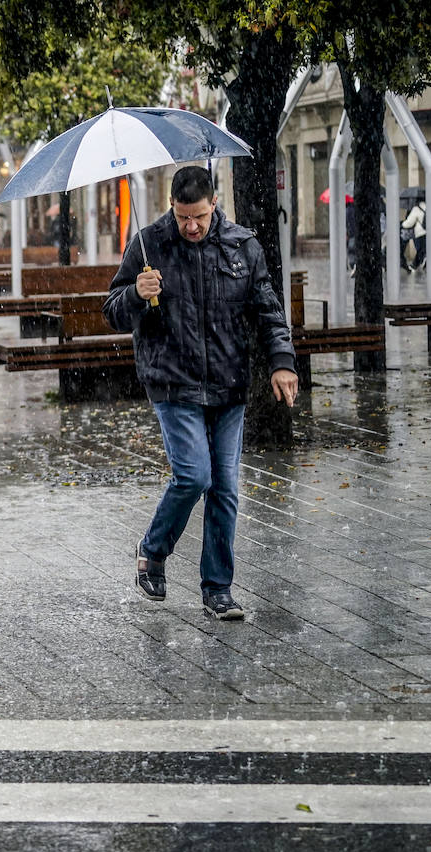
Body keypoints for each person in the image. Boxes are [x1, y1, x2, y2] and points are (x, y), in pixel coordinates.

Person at [103, 166, 298, 621]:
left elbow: (268, 310)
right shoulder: (150, 245)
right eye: (183, 216)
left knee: (226, 489)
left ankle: (217, 590)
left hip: (229, 385)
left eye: (200, 217)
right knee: (194, 476)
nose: (192, 226)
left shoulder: (241, 245)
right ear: (172, 206)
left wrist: (282, 362)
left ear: (214, 203)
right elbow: (112, 312)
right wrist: (135, 291)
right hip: (173, 382)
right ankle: (152, 550)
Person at [401, 199, 426, 271]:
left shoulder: (416, 208)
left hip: (419, 233)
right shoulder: (429, 207)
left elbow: (409, 222)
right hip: (429, 233)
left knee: (419, 250)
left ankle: (415, 265)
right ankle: (420, 263)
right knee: (424, 249)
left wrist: (402, 224)